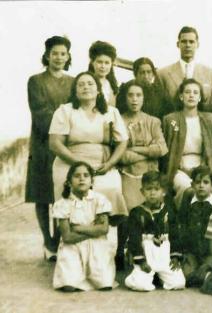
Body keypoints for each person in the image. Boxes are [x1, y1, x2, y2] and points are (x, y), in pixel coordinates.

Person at [49, 72, 129, 226]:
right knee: (70, 196)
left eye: (90, 84)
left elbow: (122, 142)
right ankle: (69, 234)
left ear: (98, 90)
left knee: (111, 188)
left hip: (102, 166)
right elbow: (55, 144)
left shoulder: (111, 112)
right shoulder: (65, 111)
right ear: (75, 91)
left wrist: (110, 164)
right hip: (70, 164)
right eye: (81, 84)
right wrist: (79, 164)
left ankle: (107, 236)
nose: (86, 87)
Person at [26, 35, 74, 261]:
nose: (58, 57)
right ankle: (48, 241)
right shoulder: (36, 81)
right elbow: (40, 112)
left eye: (63, 53)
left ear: (68, 56)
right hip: (43, 143)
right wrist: (64, 124)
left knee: (62, 194)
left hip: (66, 143)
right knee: (43, 195)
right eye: (54, 53)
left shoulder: (74, 81)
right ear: (47, 55)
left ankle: (60, 240)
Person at [52, 162, 115, 291]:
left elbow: (104, 229)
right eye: (76, 176)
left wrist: (78, 228)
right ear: (69, 182)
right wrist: (93, 230)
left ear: (91, 181)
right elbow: (68, 237)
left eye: (86, 175)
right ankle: (73, 275)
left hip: (97, 246)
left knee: (105, 284)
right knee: (69, 286)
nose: (81, 178)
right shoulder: (62, 204)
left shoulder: (100, 200)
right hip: (72, 247)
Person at [162, 78, 212, 206]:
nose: (191, 95)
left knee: (206, 190)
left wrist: (203, 168)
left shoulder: (211, 120)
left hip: (204, 166)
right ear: (181, 96)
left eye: (195, 92)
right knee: (186, 189)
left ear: (200, 98)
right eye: (187, 92)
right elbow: (168, 150)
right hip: (179, 168)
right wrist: (182, 167)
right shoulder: (171, 120)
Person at [124, 171, 185, 291]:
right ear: (142, 191)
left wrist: (175, 257)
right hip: (146, 253)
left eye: (156, 189)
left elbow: (175, 235)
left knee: (178, 283)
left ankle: (159, 276)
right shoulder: (136, 212)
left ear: (164, 191)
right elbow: (134, 238)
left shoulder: (170, 211)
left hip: (164, 253)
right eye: (148, 189)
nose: (152, 193)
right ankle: (140, 275)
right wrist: (141, 260)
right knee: (141, 285)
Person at [119, 81, 169, 210]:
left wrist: (134, 149)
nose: (134, 99)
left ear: (144, 98)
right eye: (130, 95)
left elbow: (161, 149)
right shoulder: (119, 120)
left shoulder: (152, 121)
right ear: (125, 98)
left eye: (138, 95)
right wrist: (149, 153)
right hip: (128, 175)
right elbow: (122, 157)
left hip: (152, 177)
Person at [157, 26, 212, 112]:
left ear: (197, 44)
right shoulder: (162, 74)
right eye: (184, 42)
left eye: (191, 42)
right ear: (178, 44)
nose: (188, 45)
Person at [177, 166, 212, 287]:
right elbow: (182, 226)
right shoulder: (188, 203)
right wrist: (184, 252)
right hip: (191, 251)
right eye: (198, 182)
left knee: (211, 270)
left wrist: (211, 258)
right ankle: (201, 277)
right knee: (185, 276)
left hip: (210, 252)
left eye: (206, 182)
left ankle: (205, 274)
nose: (201, 185)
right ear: (192, 184)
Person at [88, 40, 119, 107]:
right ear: (92, 62)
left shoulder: (112, 86)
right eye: (99, 62)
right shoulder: (86, 82)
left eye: (107, 63)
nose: (103, 66)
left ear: (111, 64)